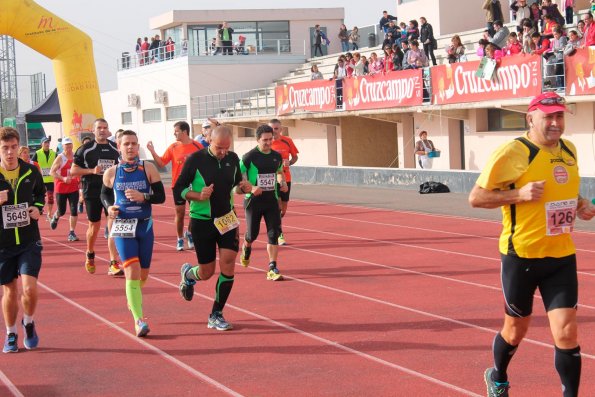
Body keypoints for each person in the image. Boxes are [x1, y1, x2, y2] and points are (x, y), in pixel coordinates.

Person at [469, 92, 595, 397]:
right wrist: (519, 194)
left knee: (566, 332)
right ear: (531, 118)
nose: (555, 123)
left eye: (560, 116)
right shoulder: (514, 151)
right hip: (522, 255)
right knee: (515, 331)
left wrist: (580, 205)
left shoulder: (570, 149)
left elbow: (562, 191)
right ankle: (498, 377)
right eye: (548, 116)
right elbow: (476, 197)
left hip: (561, 255)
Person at [176, 125, 252, 331]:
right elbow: (178, 189)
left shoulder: (233, 159)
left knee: (228, 264)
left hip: (227, 218)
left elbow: (235, 185)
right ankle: (189, 275)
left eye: (226, 148)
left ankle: (216, 313)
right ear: (209, 140)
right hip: (202, 221)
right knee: (207, 271)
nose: (223, 152)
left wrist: (242, 187)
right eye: (219, 148)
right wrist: (198, 196)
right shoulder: (195, 160)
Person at [101, 130, 165, 337]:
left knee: (143, 274)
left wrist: (143, 196)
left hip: (145, 226)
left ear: (138, 147)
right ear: (119, 146)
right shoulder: (111, 172)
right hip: (122, 226)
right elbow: (104, 195)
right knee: (132, 270)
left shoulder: (149, 169)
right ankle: (139, 320)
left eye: (134, 144)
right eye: (126, 144)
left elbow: (161, 197)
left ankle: (133, 297)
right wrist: (109, 208)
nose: (130, 147)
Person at [0, 127, 45, 353]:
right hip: (3, 244)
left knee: (29, 289)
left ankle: (28, 322)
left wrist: (38, 209)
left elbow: (40, 194)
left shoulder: (30, 171)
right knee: (10, 291)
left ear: (19, 147)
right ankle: (10, 333)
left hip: (28, 240)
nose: (10, 152)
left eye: (13, 147)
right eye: (5, 148)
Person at [70, 118, 122, 276]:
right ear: (93, 130)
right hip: (91, 191)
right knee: (94, 226)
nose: (102, 130)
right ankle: (90, 253)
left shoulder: (115, 148)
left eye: (105, 127)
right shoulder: (85, 149)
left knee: (113, 224)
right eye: (99, 127)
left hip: (110, 191)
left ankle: (113, 262)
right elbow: (73, 171)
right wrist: (92, 171)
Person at [239, 124, 288, 281]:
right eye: (265, 140)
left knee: (274, 234)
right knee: (252, 234)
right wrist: (251, 187)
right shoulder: (249, 157)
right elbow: (239, 177)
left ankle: (272, 267)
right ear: (257, 139)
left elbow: (279, 172)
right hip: (253, 201)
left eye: (270, 139)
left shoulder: (276, 156)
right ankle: (246, 247)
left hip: (271, 200)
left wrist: (283, 182)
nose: (268, 142)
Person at [146, 121, 203, 251]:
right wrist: (152, 151)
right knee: (180, 213)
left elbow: (205, 162)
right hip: (178, 185)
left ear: (184, 132)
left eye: (176, 131)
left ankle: (189, 233)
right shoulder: (173, 147)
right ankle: (179, 238)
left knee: (194, 213)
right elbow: (161, 163)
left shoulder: (198, 146)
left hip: (194, 185)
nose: (174, 133)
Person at [269, 119, 299, 246]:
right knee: (277, 206)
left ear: (280, 130)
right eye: (271, 128)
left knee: (284, 209)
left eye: (276, 128)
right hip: (272, 179)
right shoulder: (266, 143)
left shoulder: (287, 141)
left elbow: (295, 157)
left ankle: (276, 226)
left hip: (286, 178)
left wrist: (290, 163)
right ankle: (279, 233)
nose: (273, 131)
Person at [49, 137, 80, 242]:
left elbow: (79, 169)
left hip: (73, 187)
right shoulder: (60, 158)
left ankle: (72, 232)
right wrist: (63, 178)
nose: (68, 147)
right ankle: (56, 216)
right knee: (62, 211)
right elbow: (52, 172)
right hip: (61, 187)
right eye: (66, 145)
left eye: (70, 144)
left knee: (73, 209)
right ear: (62, 146)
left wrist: (79, 179)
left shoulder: (76, 156)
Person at [32, 137, 56, 220]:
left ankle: (49, 213)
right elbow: (32, 164)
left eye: (48, 142)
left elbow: (58, 163)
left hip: (50, 179)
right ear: (41, 144)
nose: (47, 144)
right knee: (39, 196)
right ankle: (39, 208)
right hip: (40, 180)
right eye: (45, 142)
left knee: (50, 197)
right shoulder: (37, 153)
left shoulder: (53, 153)